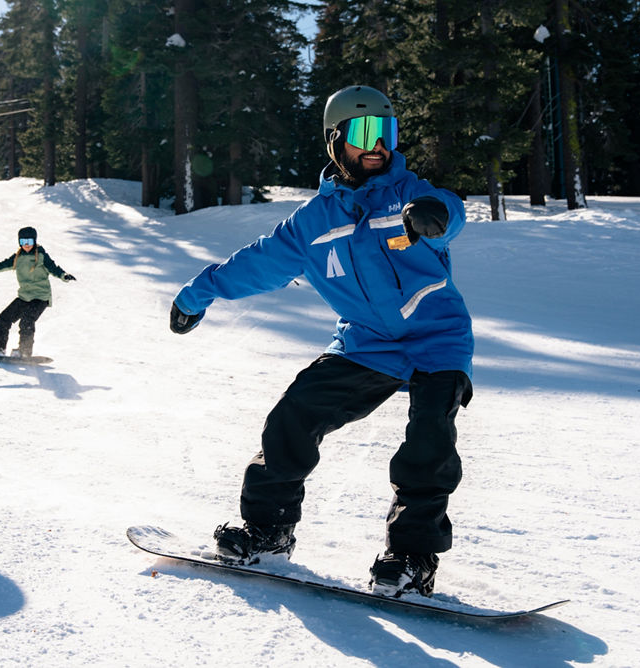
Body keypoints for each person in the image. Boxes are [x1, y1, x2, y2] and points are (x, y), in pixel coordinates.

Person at [169, 85, 474, 598]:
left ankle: (411, 557)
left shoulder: (409, 196)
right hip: (365, 344)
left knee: (428, 443)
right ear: (335, 141)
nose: (377, 144)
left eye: (386, 132)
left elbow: (448, 210)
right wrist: (196, 295)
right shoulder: (311, 223)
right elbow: (257, 263)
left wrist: (435, 216)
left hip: (436, 339)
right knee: (294, 417)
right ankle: (268, 530)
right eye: (362, 132)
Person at [0, 226, 75, 358]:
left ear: (35, 241)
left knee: (26, 321)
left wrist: (64, 275)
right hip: (24, 296)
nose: (27, 245)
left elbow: (54, 268)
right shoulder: (18, 257)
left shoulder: (41, 256)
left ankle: (24, 351)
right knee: (4, 318)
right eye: (23, 242)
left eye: (29, 241)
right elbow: (0, 266)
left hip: (40, 297)